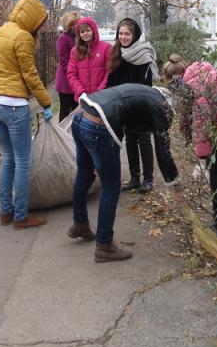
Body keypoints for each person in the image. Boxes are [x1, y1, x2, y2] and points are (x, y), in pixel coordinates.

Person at [68, 83, 180, 262]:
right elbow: (162, 149)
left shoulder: (148, 95)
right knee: (111, 186)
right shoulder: (162, 108)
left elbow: (126, 122)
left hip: (80, 117)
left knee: (84, 174)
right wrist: (174, 182)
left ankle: (80, 224)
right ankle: (104, 246)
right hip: (98, 125)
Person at [0, 0, 53, 230]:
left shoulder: (0, 31)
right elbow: (30, 75)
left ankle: (6, 211)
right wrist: (46, 103)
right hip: (14, 105)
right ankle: (21, 216)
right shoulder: (23, 36)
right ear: (33, 19)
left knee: (8, 159)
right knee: (23, 162)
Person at [162, 55, 217, 238]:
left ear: (178, 79)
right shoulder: (200, 75)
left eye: (173, 86)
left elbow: (203, 127)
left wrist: (201, 160)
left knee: (215, 170)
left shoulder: (196, 87)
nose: (175, 91)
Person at [107, 17, 158, 193]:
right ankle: (134, 178)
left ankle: (148, 179)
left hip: (141, 105)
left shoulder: (144, 55)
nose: (123, 37)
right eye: (120, 33)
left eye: (127, 34)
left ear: (134, 35)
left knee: (144, 140)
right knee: (130, 141)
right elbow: (112, 80)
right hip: (123, 106)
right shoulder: (116, 53)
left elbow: (145, 85)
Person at [67, 17, 112, 102]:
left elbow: (109, 72)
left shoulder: (106, 47)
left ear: (94, 31)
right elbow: (71, 75)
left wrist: (100, 91)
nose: (85, 33)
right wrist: (81, 92)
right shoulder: (75, 51)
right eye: (82, 32)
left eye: (88, 30)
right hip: (84, 98)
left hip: (103, 97)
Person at [55, 11, 80, 121]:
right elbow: (64, 62)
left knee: (76, 110)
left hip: (76, 80)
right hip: (66, 82)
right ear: (67, 25)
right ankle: (62, 131)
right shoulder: (63, 39)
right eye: (72, 24)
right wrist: (74, 75)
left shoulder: (78, 37)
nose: (75, 26)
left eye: (77, 23)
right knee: (65, 111)